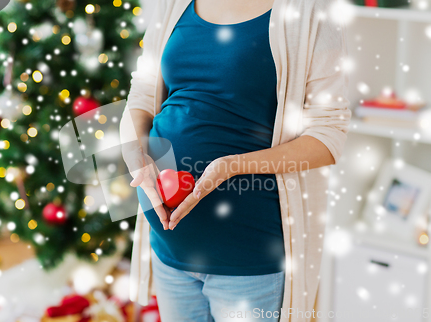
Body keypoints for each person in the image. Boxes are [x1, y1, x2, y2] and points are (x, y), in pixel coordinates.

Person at [120, 0, 351, 321]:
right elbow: (143, 93)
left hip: (248, 254)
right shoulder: (173, 3)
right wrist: (134, 155)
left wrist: (233, 166)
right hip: (169, 245)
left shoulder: (311, 11)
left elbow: (329, 134)